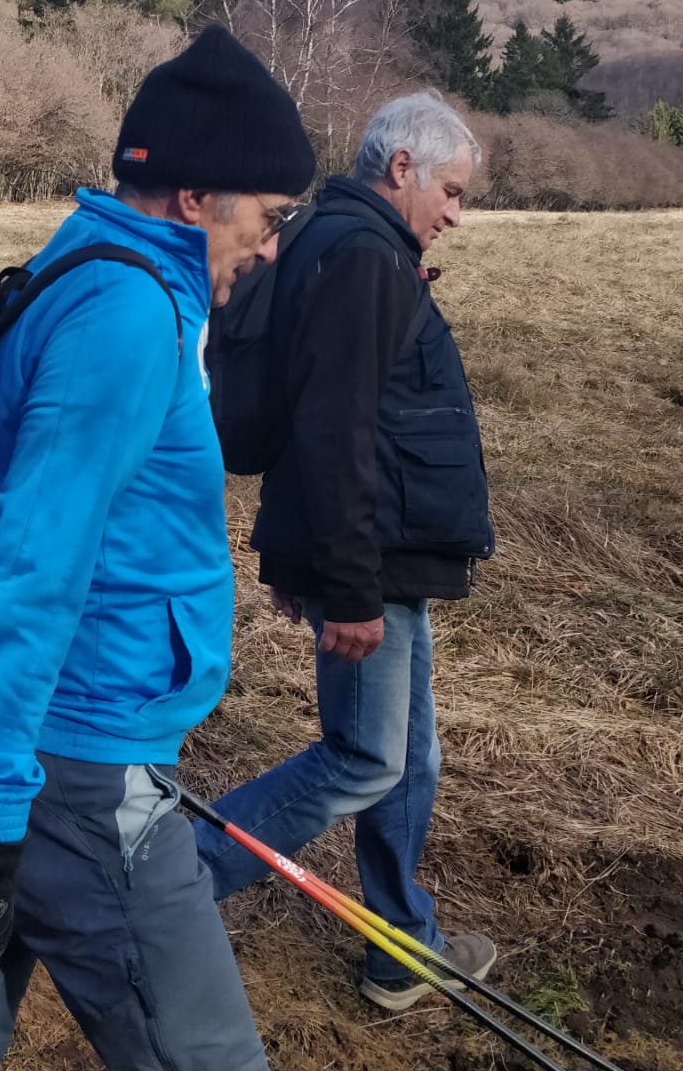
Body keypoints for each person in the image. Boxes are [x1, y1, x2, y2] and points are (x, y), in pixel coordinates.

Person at [0, 25, 315, 1071]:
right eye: (269, 215)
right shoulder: (122, 316)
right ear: (196, 199)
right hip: (76, 760)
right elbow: (31, 567)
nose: (275, 242)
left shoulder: (109, 275)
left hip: (42, 748)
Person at [195, 90, 497, 1010]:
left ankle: (401, 944)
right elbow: (336, 431)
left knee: (411, 757)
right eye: (450, 190)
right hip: (373, 559)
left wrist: (304, 556)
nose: (455, 214)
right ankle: (167, 886)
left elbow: (316, 410)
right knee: (366, 758)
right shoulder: (363, 256)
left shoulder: (344, 240)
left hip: (384, 554)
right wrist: (345, 585)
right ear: (400, 167)